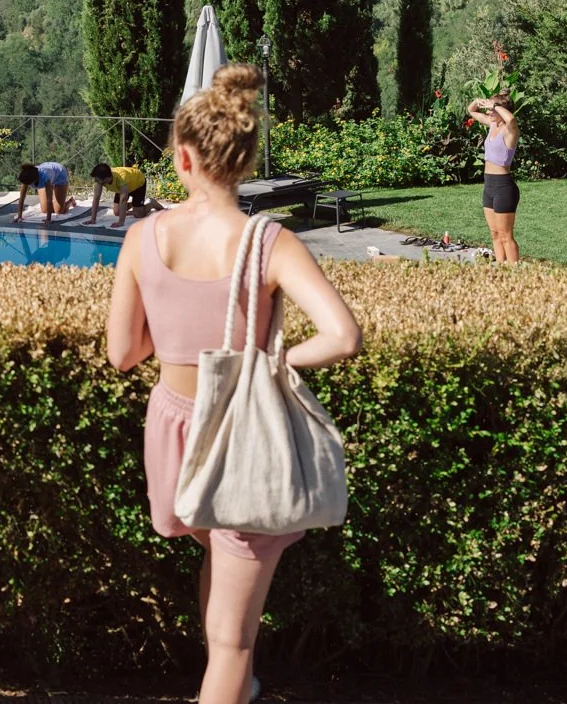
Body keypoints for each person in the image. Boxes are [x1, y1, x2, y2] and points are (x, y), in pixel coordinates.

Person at [104, 65, 361, 704]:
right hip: (240, 437)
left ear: (182, 158)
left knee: (215, 573)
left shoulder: (142, 238)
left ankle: (236, 688)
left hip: (172, 431)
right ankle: (233, 683)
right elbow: (342, 336)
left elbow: (121, 353)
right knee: (232, 642)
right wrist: (275, 364)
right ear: (244, 161)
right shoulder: (268, 242)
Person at [467, 94, 520, 262]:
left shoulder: (509, 130)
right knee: (495, 234)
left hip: (503, 188)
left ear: (501, 110)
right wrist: (479, 102)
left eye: (492, 109)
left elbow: (511, 118)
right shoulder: (492, 124)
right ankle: (501, 268)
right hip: (488, 186)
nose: (489, 112)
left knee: (506, 235)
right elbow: (472, 111)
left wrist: (494, 106)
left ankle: (515, 273)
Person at [84, 162, 163, 229]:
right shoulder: (100, 181)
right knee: (117, 212)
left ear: (106, 178)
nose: (95, 181)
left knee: (139, 215)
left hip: (138, 183)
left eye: (97, 179)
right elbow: (96, 198)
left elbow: (123, 200)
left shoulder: (122, 178)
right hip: (122, 187)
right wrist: (93, 219)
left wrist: (120, 222)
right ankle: (136, 206)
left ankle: (151, 203)